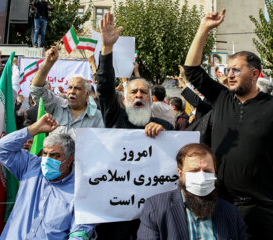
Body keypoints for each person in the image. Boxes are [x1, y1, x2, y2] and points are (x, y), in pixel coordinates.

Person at [184, 9, 273, 239]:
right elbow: (192, 70)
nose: (230, 75)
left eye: (237, 70)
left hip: (263, 209)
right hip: (221, 205)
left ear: (255, 73)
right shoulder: (221, 98)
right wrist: (203, 29)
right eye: (228, 70)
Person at [94, 12, 173, 240]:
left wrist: (165, 136)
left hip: (151, 215)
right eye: (133, 92)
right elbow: (105, 86)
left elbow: (177, 159)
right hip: (115, 212)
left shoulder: (164, 125)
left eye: (143, 92)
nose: (139, 95)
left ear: (150, 99)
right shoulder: (115, 117)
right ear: (126, 99)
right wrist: (107, 48)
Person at [0, 113, 95, 239]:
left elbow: (79, 233)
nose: (47, 159)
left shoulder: (81, 192)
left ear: (70, 159)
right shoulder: (31, 166)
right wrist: (34, 129)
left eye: (54, 155)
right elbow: (0, 148)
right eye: (45, 154)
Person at [137, 143, 247, 240]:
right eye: (194, 171)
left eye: (207, 171)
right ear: (180, 174)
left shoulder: (231, 213)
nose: (202, 177)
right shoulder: (156, 209)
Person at [30, 46, 104, 138]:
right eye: (70, 87)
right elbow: (36, 89)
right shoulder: (57, 105)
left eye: (77, 88)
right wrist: (48, 63)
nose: (72, 91)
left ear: (87, 94)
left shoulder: (97, 118)